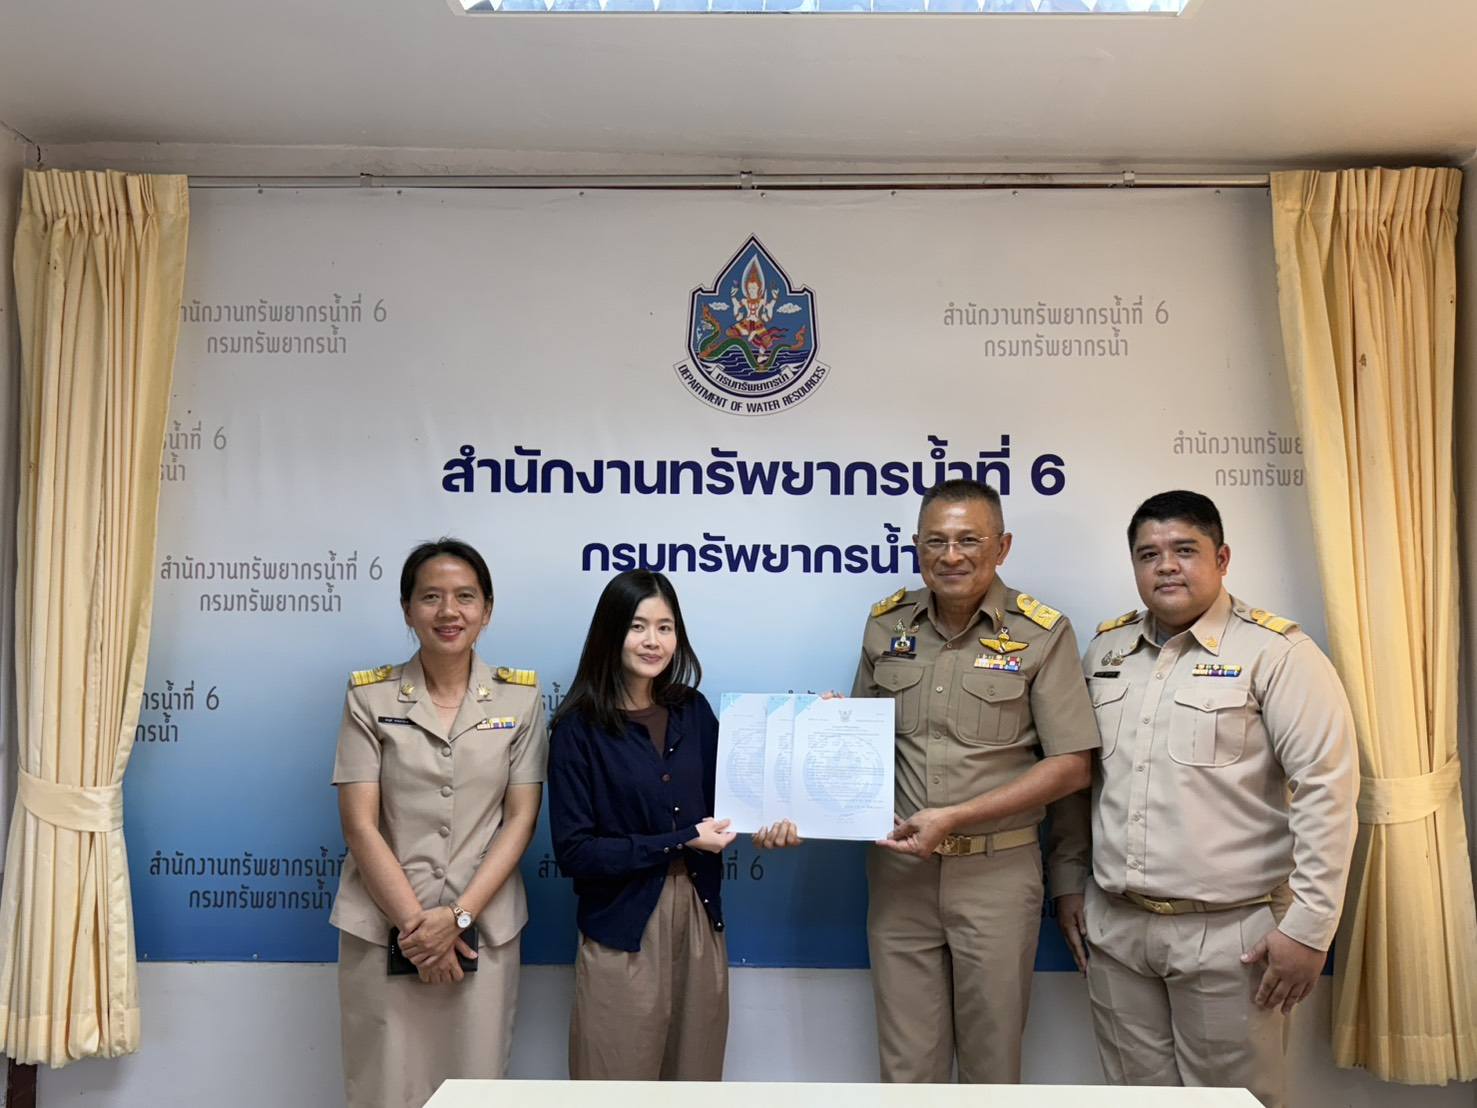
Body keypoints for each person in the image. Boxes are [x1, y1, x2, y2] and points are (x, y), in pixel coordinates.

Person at [1047, 490, 1358, 1108]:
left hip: (1231, 938)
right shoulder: (1106, 652)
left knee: (1233, 1102)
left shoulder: (1276, 654)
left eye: (1185, 550)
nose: (1166, 566)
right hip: (1116, 928)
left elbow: (1327, 791)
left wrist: (1309, 929)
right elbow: (1080, 779)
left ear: (1222, 558)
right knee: (1134, 1102)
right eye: (1149, 554)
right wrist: (1067, 881)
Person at [853, 478, 1099, 1084]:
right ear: (916, 546)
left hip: (997, 875)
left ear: (1002, 546)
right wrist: (828, 735)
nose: (951, 555)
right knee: (906, 1069)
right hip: (900, 877)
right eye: (936, 541)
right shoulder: (886, 625)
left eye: (969, 540)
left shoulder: (1041, 632)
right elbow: (861, 745)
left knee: (992, 1070)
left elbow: (1072, 765)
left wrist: (956, 818)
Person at [548, 569, 798, 1081]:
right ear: (611, 631)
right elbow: (576, 852)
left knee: (695, 1080)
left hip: (701, 918)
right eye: (638, 626)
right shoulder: (577, 729)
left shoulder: (691, 710)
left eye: (665, 627)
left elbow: (749, 786)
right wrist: (682, 839)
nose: (653, 641)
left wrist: (818, 727)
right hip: (623, 928)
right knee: (613, 1083)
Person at [329, 539, 546, 1108]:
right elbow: (359, 826)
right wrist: (419, 932)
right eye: (431, 597)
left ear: (487, 610)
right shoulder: (369, 697)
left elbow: (520, 821)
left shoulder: (520, 700)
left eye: (465, 597)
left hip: (483, 932)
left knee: (473, 1090)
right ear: (407, 609)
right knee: (383, 1089)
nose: (449, 611)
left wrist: (458, 918)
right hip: (383, 927)